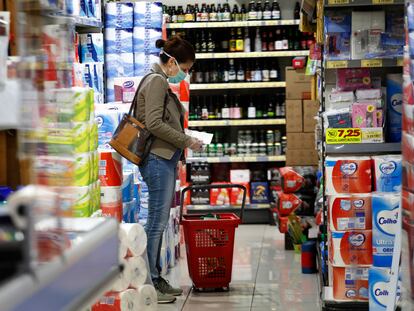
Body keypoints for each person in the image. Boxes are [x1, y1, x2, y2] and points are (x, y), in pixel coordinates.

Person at [134, 36, 202, 303]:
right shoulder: (157, 81)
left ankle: (157, 277)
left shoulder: (159, 80)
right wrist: (187, 141)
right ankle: (151, 281)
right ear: (171, 62)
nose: (185, 75)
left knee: (158, 222)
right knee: (156, 222)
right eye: (184, 69)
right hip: (156, 159)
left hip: (164, 158)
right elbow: (152, 123)